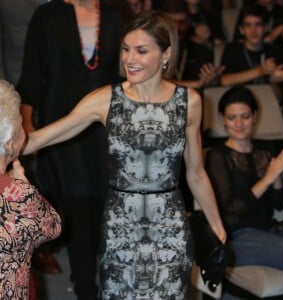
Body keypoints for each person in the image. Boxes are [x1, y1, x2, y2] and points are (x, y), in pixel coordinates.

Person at [22, 10, 226, 299]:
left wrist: (217, 225)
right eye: (126, 49)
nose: (130, 59)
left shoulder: (189, 102)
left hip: (170, 228)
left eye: (142, 51)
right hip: (121, 227)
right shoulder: (106, 99)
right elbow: (38, 140)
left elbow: (196, 173)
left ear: (166, 54)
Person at [17, 0, 123, 299]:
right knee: (78, 205)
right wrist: (28, 125)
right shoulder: (48, 15)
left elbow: (130, 71)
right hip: (63, 124)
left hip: (108, 124)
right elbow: (32, 74)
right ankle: (85, 288)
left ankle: (113, 282)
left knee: (107, 205)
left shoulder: (116, 13)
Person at [205, 85, 283, 290]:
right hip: (237, 238)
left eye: (245, 116)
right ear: (223, 119)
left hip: (271, 229)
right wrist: (270, 176)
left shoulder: (265, 151)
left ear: (254, 116)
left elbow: (279, 202)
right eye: (231, 118)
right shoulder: (217, 156)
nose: (238, 123)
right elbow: (232, 209)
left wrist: (277, 175)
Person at [0, 0, 63, 277]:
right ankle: (34, 249)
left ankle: (35, 245)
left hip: (57, 100)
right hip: (14, 94)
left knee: (53, 173)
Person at [0, 79, 61, 299]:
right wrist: (23, 185)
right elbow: (53, 227)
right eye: (20, 127)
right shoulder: (19, 195)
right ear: (9, 144)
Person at [219, 3, 283, 107]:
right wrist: (260, 71)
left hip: (267, 106)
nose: (253, 31)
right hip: (239, 105)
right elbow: (224, 81)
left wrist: (273, 81)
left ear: (266, 28)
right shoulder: (232, 49)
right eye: (248, 25)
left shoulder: (273, 51)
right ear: (241, 30)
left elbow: (279, 100)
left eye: (258, 24)